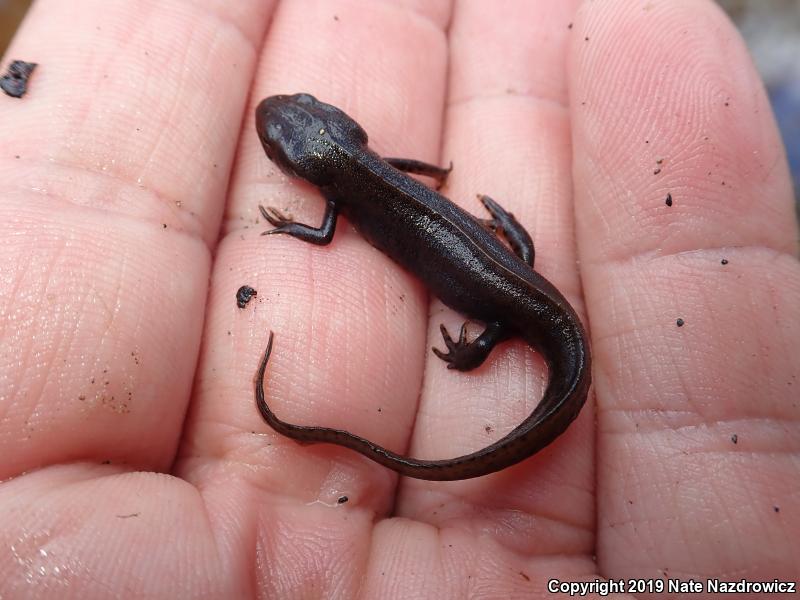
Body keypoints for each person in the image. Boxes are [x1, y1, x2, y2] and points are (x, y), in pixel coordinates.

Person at [1, 0, 797, 596]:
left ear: (325, 153)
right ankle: (502, 286)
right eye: (286, 137)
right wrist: (497, 231)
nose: (282, 126)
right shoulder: (372, 169)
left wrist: (474, 337)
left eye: (291, 130)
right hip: (509, 277)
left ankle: (493, 318)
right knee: (504, 280)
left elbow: (324, 235)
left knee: (507, 303)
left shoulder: (346, 195)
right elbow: (419, 180)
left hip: (513, 303)